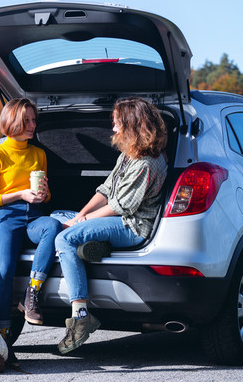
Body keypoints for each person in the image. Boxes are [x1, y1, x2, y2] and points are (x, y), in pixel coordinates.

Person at [52, 97, 168, 355]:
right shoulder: (129, 154)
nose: (113, 129)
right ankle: (92, 245)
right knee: (58, 216)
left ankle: (81, 316)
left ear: (131, 124)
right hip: (115, 218)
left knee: (64, 238)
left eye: (116, 124)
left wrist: (81, 222)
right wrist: (80, 214)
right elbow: (106, 189)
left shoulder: (147, 163)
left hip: (131, 226)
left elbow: (121, 206)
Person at [0, 98, 63, 366]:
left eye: (33, 120)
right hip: (7, 218)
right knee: (4, 272)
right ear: (11, 121)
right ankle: (3, 339)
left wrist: (43, 194)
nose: (31, 125)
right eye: (26, 120)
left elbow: (46, 197)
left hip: (34, 217)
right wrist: (20, 195)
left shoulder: (39, 154)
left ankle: (32, 293)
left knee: (52, 226)